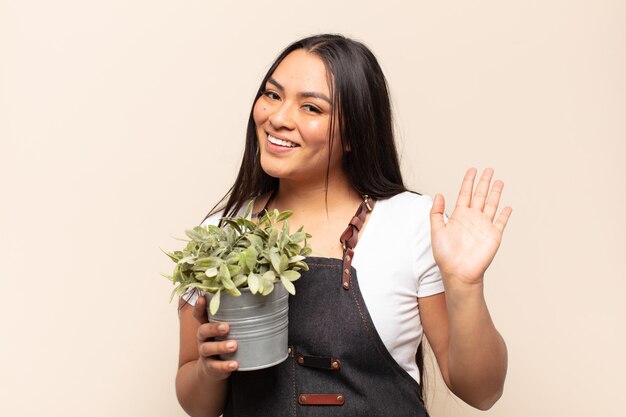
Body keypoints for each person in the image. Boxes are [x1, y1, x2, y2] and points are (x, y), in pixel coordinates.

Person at [175, 34, 512, 417]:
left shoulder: (412, 224)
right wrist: (208, 369)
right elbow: (196, 403)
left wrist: (466, 286)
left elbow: (481, 392)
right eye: (272, 95)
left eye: (311, 108)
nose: (279, 118)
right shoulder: (221, 235)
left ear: (354, 134)